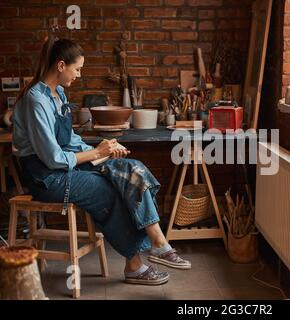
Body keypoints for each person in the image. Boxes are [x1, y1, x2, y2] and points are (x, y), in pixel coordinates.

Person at [12, 36, 190, 286]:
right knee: (108, 188)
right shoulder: (36, 100)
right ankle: (136, 264)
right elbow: (53, 158)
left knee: (131, 169)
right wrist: (96, 154)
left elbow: (71, 140)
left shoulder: (58, 93)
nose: (79, 74)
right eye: (77, 68)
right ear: (61, 65)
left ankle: (159, 243)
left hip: (65, 166)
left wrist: (104, 150)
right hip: (46, 178)